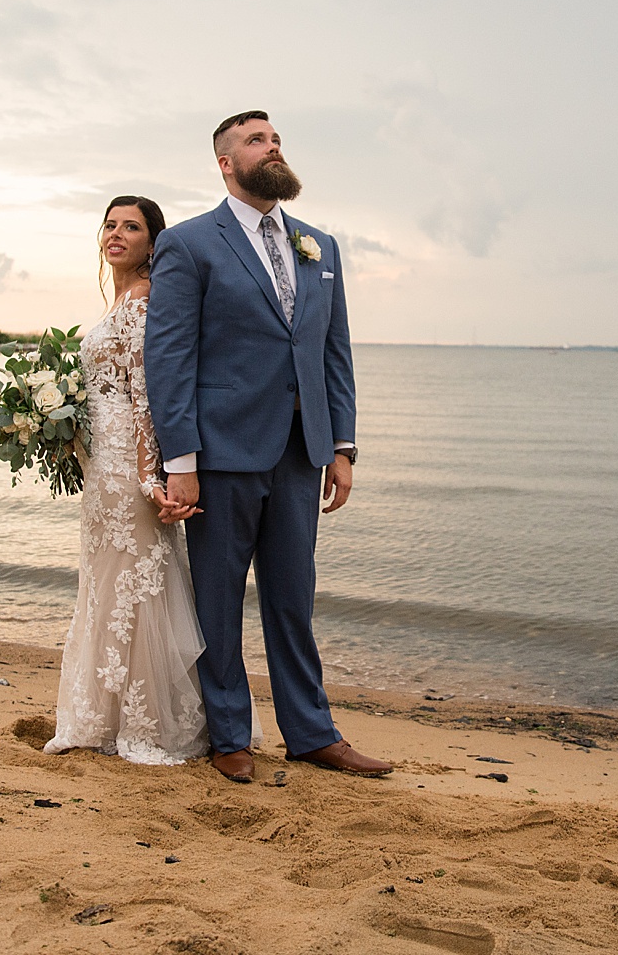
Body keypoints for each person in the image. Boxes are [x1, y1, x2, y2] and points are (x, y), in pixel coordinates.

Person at [145, 111, 392, 783]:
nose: (273, 146)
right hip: (221, 455)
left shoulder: (321, 246)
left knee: (292, 598)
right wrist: (182, 463)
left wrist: (342, 447)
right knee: (219, 601)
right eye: (257, 140)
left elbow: (331, 353)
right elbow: (169, 358)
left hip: (298, 453)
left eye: (276, 138)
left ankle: (312, 734)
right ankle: (228, 734)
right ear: (226, 163)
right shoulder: (191, 245)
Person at [44, 196, 209, 764]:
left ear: (152, 243)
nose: (116, 234)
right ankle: (103, 718)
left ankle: (147, 723)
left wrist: (149, 477)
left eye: (131, 227)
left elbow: (147, 397)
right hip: (100, 466)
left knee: (137, 589)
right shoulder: (118, 298)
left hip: (125, 469)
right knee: (107, 586)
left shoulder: (142, 301)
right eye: (110, 225)